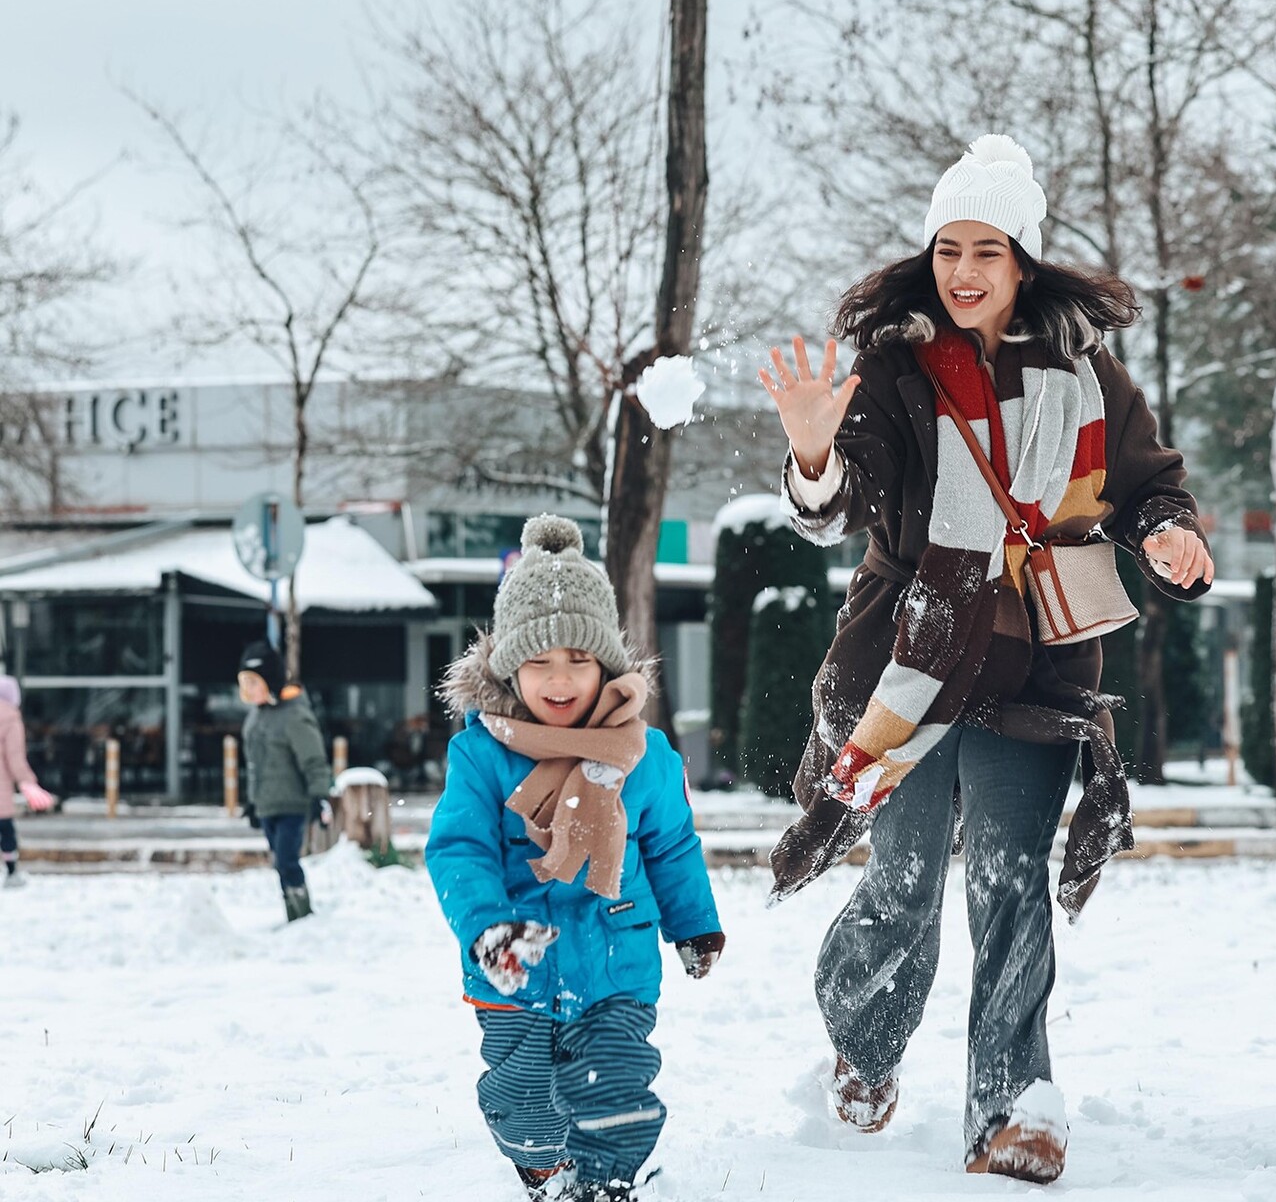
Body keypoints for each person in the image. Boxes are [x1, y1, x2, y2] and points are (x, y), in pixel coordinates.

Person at [759, 134, 1213, 1184]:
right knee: (907, 889)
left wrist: (1167, 533)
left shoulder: (1088, 378)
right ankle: (864, 1049)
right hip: (905, 664)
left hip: (1032, 669)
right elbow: (847, 503)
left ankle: (1014, 1106)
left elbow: (1148, 488)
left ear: (1022, 261)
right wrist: (815, 452)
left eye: (985, 250)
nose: (960, 271)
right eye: (946, 248)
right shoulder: (894, 369)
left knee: (1008, 884)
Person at [426, 515, 724, 1202]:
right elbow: (458, 848)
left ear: (608, 665)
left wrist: (693, 924)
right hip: (513, 961)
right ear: (508, 666)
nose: (559, 680)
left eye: (579, 661)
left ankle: (605, 1181)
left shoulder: (644, 754)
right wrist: (487, 930)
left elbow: (672, 845)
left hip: (616, 958)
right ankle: (540, 1166)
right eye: (539, 662)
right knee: (520, 1101)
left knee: (617, 1086)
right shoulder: (480, 755)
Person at [237, 640, 333, 922]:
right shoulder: (255, 718)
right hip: (267, 804)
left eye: (254, 683)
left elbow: (313, 759)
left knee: (287, 860)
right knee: (279, 863)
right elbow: (255, 764)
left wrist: (319, 795)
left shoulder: (294, 715)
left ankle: (302, 914)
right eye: (245, 684)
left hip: (292, 804)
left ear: (269, 682)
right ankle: (291, 911)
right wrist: (252, 801)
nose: (248, 691)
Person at [0, 675, 55, 888]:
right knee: (5, 829)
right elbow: (14, 757)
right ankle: (12, 872)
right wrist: (27, 781)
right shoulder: (11, 719)